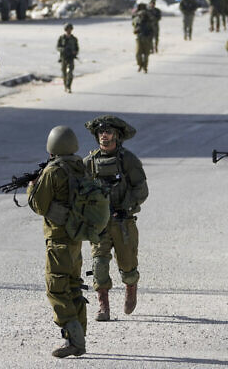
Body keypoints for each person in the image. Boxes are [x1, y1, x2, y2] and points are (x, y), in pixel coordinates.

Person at [28, 126, 90, 359]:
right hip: (75, 238)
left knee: (56, 288)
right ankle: (79, 337)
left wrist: (31, 187)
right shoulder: (80, 166)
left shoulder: (53, 171)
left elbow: (39, 205)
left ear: (51, 147)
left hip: (58, 239)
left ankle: (74, 340)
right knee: (73, 285)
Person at [83, 115, 147, 322]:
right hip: (99, 224)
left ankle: (131, 288)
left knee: (128, 266)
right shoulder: (89, 162)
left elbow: (141, 189)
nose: (104, 135)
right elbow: (79, 190)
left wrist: (125, 206)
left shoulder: (128, 160)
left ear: (117, 136)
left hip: (123, 222)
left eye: (108, 132)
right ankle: (103, 306)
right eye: (101, 132)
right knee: (99, 265)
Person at [131, 3, 154, 73]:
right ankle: (140, 65)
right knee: (138, 54)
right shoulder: (137, 20)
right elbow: (134, 26)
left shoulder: (149, 20)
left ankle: (145, 67)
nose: (142, 15)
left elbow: (152, 30)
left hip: (147, 38)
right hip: (139, 38)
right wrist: (136, 30)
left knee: (146, 55)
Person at [57, 23, 79, 93]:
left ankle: (69, 86)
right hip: (63, 57)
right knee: (64, 73)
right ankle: (65, 86)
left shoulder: (74, 39)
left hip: (71, 58)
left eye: (70, 29)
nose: (68, 31)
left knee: (70, 72)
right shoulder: (61, 38)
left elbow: (77, 48)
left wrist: (74, 52)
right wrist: (63, 50)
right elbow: (58, 47)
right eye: (67, 29)